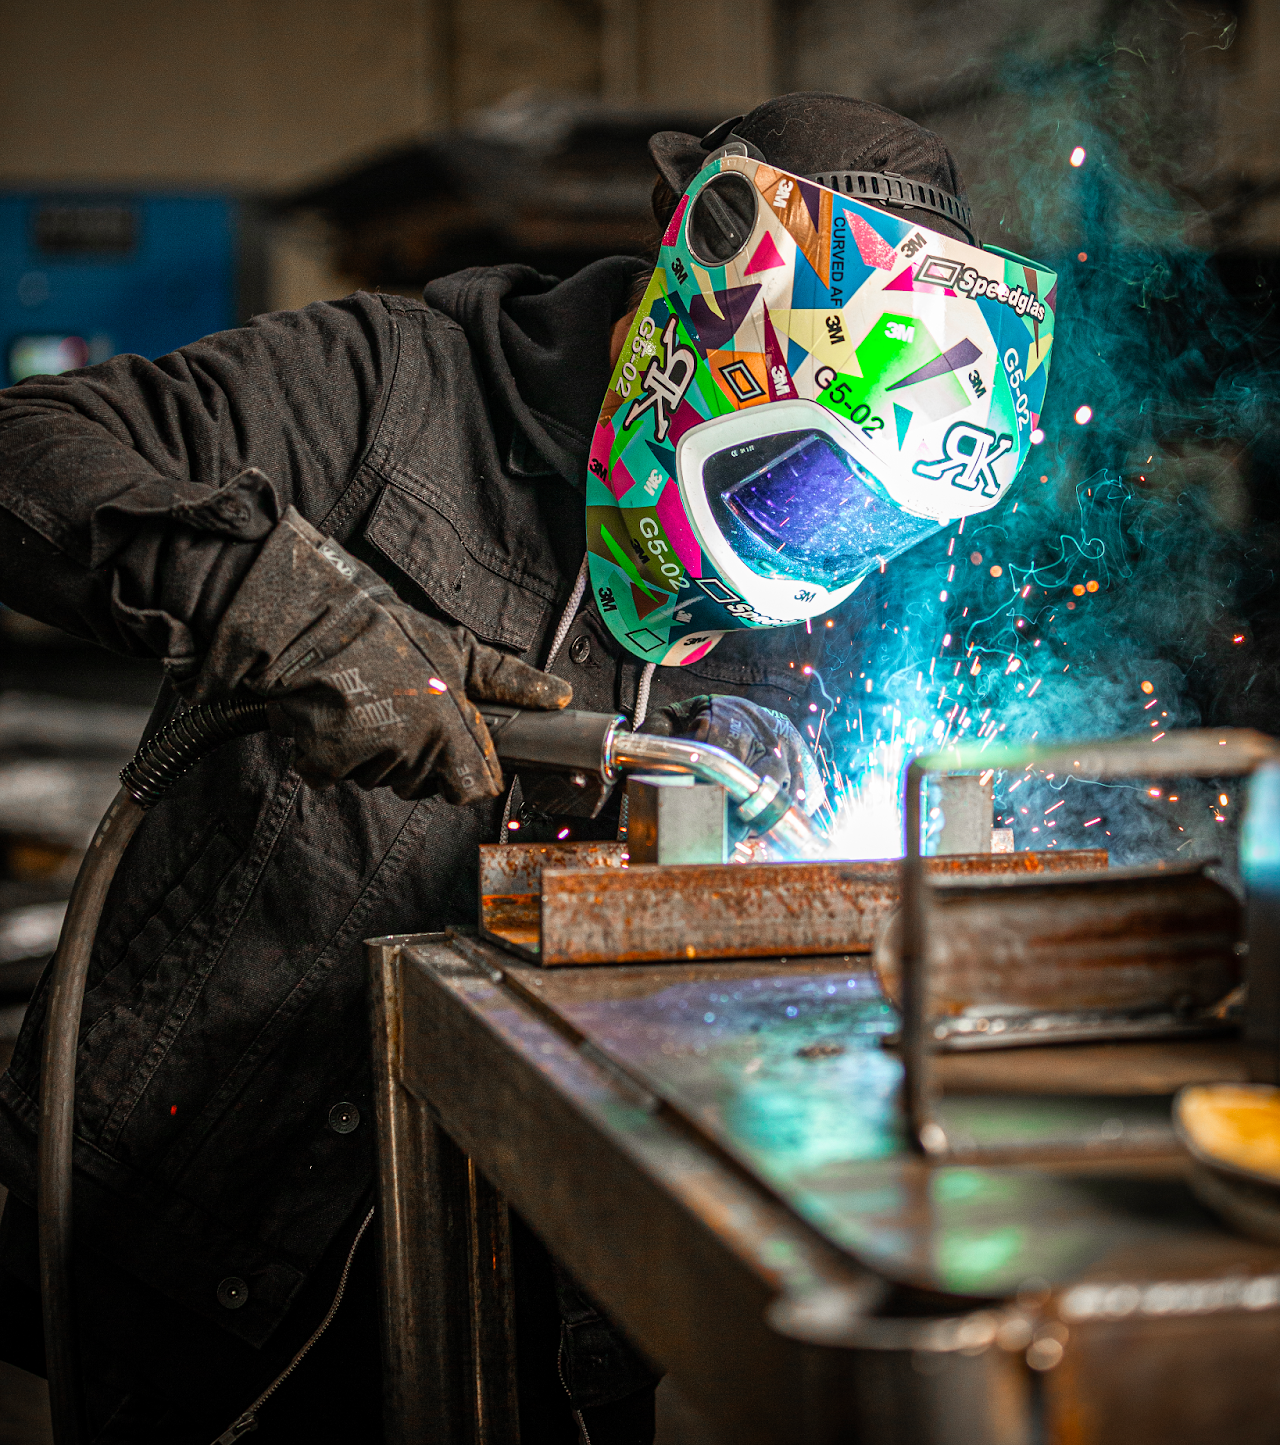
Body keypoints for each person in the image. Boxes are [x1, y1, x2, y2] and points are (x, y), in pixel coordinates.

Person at [0, 93, 1048, 1443]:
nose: (820, 557)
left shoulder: (838, 579)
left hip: (550, 1310)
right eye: (799, 487)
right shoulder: (392, 389)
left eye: (868, 523)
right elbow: (23, 449)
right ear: (688, 326)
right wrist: (271, 606)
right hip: (209, 1232)